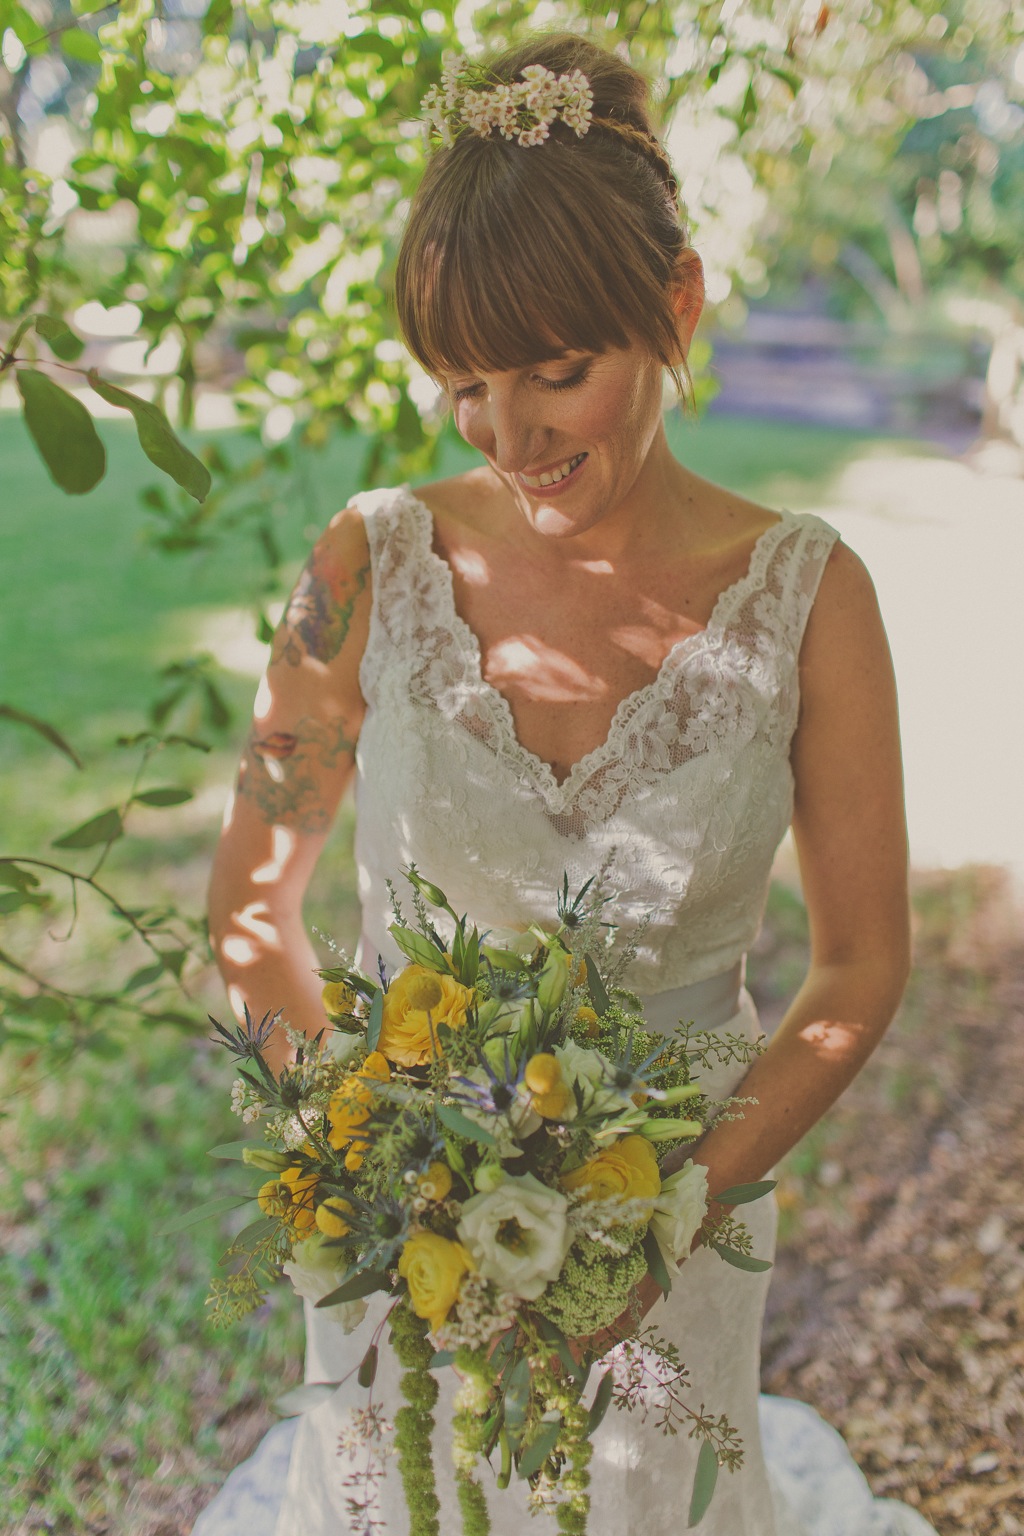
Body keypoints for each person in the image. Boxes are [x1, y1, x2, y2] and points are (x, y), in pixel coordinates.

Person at [195, 32, 937, 1536]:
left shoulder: (809, 596)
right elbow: (249, 913)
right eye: (466, 384)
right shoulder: (363, 565)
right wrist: (375, 1164)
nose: (510, 435)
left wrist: (662, 1218)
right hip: (401, 1240)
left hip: (678, 1230)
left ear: (676, 303)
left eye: (557, 372)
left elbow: (859, 965)